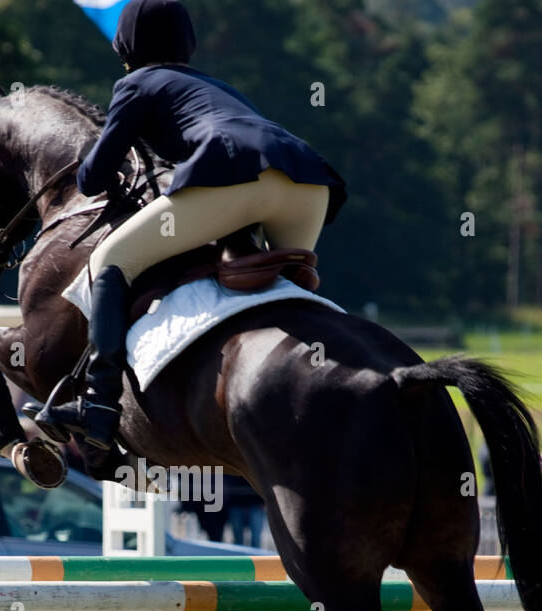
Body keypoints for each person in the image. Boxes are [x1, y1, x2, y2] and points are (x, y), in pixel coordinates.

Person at [35, 0, 347, 455]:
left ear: (126, 46)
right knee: (286, 296)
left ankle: (99, 406)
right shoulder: (216, 85)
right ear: (187, 43)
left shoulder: (135, 82)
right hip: (306, 181)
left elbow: (93, 178)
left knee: (109, 259)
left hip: (237, 174)